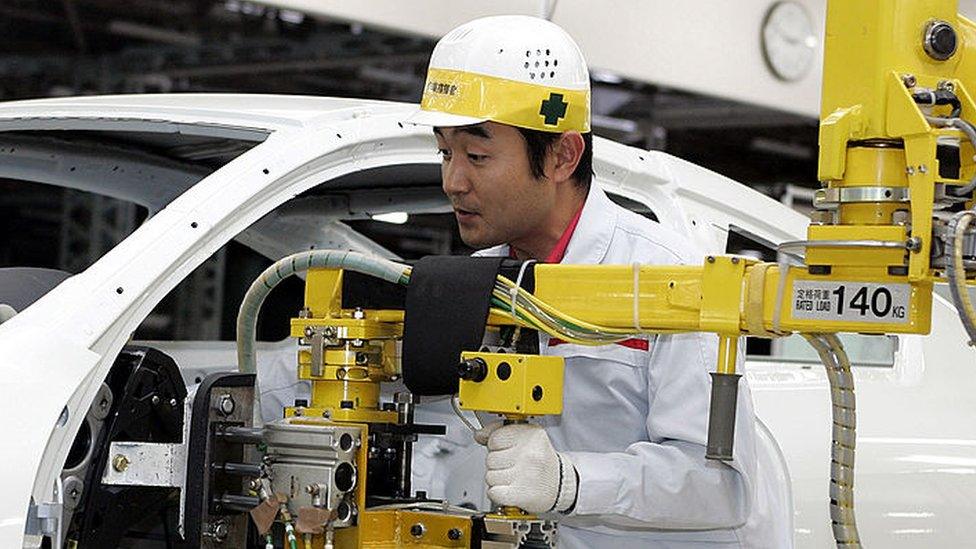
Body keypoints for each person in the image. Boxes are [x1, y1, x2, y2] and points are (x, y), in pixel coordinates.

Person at [405, 15, 787, 548]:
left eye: (478, 156)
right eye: (445, 152)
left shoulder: (666, 277)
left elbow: (721, 487)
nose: (453, 181)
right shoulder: (477, 281)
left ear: (563, 155)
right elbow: (444, 435)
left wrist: (569, 481)